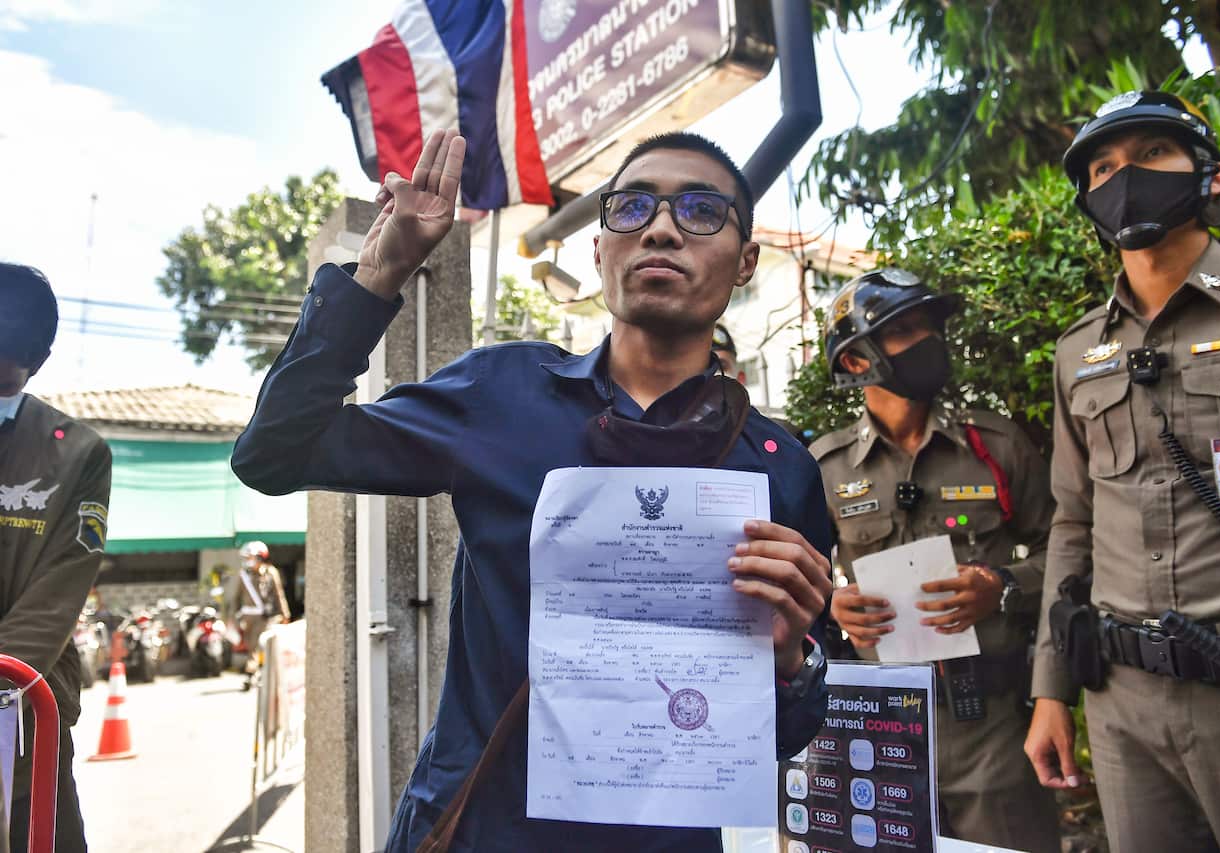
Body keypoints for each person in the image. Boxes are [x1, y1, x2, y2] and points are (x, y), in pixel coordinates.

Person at [231, 128, 833, 852]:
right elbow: (272, 453)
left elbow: (793, 723)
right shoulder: (501, 392)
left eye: (701, 211)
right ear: (599, 248)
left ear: (745, 262)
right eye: (633, 208)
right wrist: (375, 277)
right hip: (478, 830)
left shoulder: (779, 467)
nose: (663, 229)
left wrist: (792, 660)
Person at [1024, 90, 1220, 852]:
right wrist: (1049, 691)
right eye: (1103, 168)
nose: (1125, 179)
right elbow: (1073, 520)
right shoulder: (1079, 352)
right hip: (1123, 701)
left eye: (1151, 156)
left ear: (1214, 175)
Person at [813, 268, 1060, 851]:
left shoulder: (995, 447)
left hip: (993, 728)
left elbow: (1072, 553)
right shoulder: (827, 467)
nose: (929, 342)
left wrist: (1002, 585)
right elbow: (797, 583)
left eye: (930, 327)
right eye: (906, 330)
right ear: (856, 361)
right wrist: (832, 605)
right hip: (877, 730)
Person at [0, 263, 111, 853]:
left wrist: (5, 681)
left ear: (35, 364)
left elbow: (61, 584)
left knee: (38, 832)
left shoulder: (78, 453)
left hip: (20, 709)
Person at [232, 540, 290, 678]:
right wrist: (233, 617)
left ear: (260, 557)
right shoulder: (243, 575)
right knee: (250, 645)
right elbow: (236, 597)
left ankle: (252, 671)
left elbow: (278, 594)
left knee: (259, 643)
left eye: (249, 557)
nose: (247, 560)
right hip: (248, 617)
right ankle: (255, 671)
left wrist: (285, 614)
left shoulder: (271, 573)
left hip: (264, 617)